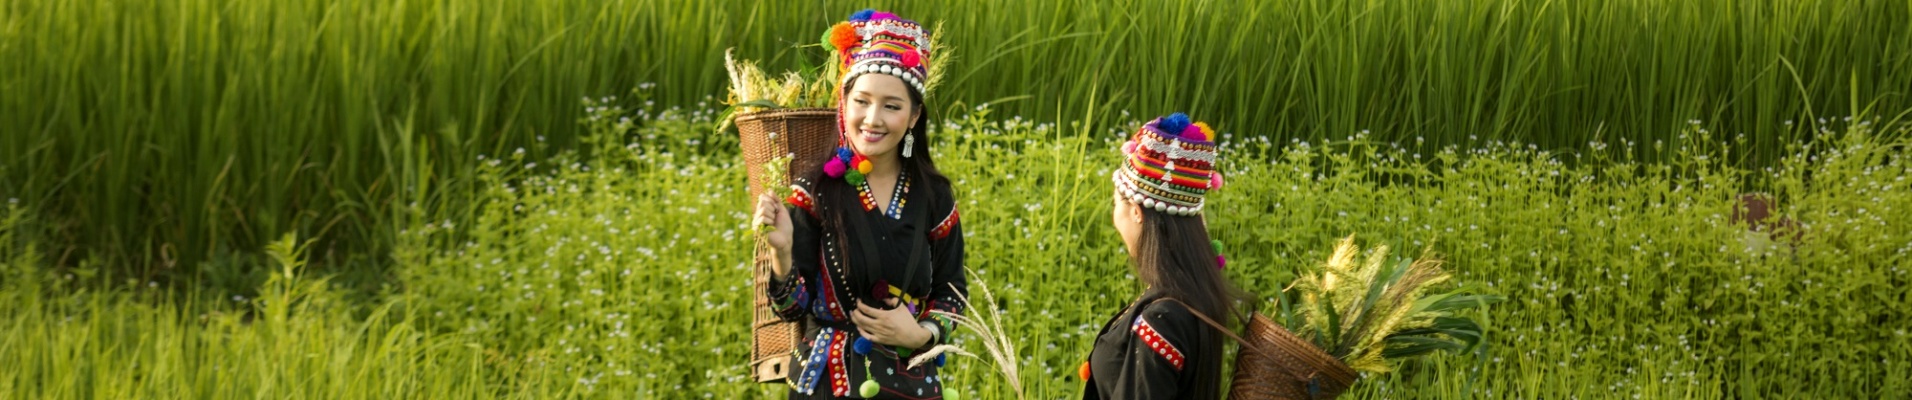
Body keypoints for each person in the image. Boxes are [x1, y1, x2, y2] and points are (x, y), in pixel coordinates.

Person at [755, 9, 966, 400]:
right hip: (829, 381)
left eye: (891, 105)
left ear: (915, 115)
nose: (872, 119)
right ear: (844, 103)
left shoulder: (933, 195)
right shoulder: (814, 192)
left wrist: (921, 333)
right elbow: (792, 309)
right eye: (862, 101)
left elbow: (952, 291)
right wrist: (781, 251)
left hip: (913, 382)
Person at [1080, 113, 1249, 399]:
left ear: (1136, 211)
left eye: (1115, 204)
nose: (1114, 217)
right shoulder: (1196, 297)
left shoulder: (1161, 320)